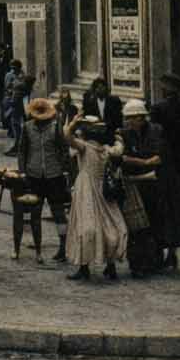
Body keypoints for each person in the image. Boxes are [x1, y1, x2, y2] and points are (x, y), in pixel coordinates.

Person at [119, 99, 180, 275]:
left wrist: (134, 159)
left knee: (160, 220)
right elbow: (124, 155)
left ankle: (160, 256)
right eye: (127, 119)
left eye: (132, 119)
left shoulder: (156, 131)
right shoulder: (126, 133)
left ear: (141, 118)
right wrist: (139, 160)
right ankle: (145, 260)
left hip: (160, 182)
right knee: (142, 223)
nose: (129, 123)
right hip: (139, 181)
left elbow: (157, 157)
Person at [64, 115, 127, 281]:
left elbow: (67, 136)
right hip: (100, 190)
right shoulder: (107, 148)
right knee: (109, 225)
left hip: (88, 189)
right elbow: (120, 146)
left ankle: (85, 267)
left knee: (86, 226)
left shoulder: (84, 147)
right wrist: (117, 137)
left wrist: (72, 123)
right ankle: (109, 265)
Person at [19, 97, 71, 262]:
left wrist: (63, 168)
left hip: (54, 176)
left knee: (58, 213)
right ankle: (38, 250)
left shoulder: (56, 128)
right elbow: (22, 151)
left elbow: (64, 149)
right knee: (35, 214)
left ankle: (63, 247)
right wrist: (23, 171)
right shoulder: (26, 128)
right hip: (34, 176)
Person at [151, 72, 180, 197]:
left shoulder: (158, 108)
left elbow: (154, 135)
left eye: (164, 85)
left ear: (169, 88)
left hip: (165, 156)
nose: (161, 88)